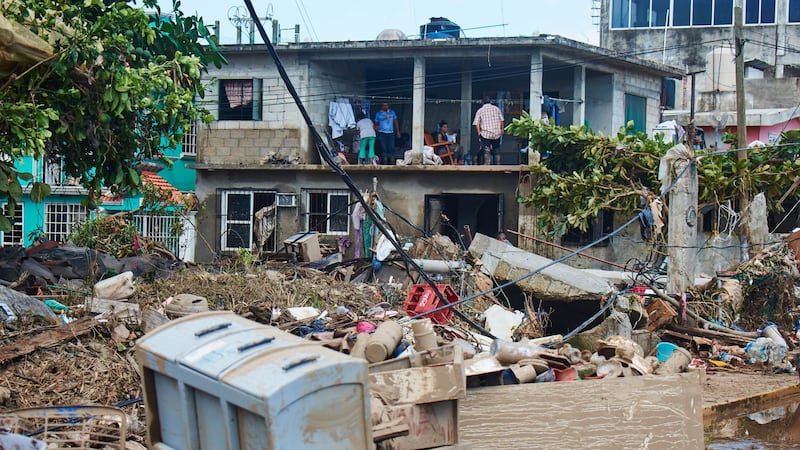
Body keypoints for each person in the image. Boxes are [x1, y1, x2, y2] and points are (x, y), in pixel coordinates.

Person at [472, 96, 504, 165]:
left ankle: (487, 164)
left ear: (482, 103)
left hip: (485, 133)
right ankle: (498, 164)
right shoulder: (496, 109)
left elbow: (476, 124)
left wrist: (479, 134)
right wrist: (501, 129)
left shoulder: (480, 110)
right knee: (496, 149)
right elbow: (501, 120)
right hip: (496, 133)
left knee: (486, 149)